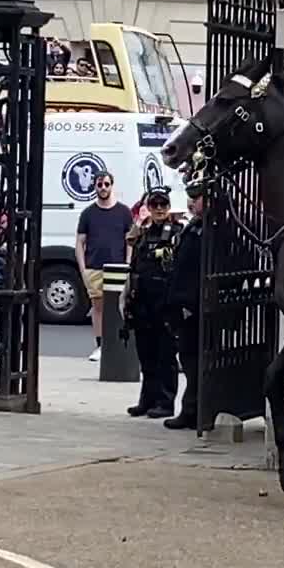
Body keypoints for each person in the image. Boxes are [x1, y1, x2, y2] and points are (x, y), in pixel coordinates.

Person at [122, 186, 182, 420]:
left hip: (164, 302)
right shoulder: (143, 234)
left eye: (163, 205)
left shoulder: (177, 232)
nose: (158, 209)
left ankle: (165, 402)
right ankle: (147, 399)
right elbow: (131, 253)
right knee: (146, 354)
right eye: (154, 204)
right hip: (143, 302)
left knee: (165, 356)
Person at [76, 170, 133, 362]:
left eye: (106, 184)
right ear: (95, 187)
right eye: (99, 185)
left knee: (120, 307)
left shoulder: (124, 212)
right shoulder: (88, 213)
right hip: (94, 267)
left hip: (118, 267)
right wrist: (83, 269)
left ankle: (118, 344)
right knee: (97, 307)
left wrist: (128, 264)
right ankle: (100, 346)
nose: (103, 188)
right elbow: (79, 243)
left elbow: (129, 241)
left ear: (112, 185)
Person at [163, 181, 206, 431]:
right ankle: (191, 408)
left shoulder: (214, 229)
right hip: (184, 304)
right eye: (190, 197)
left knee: (197, 359)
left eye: (197, 197)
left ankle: (195, 409)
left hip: (200, 305)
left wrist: (190, 302)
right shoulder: (193, 228)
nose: (191, 202)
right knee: (188, 358)